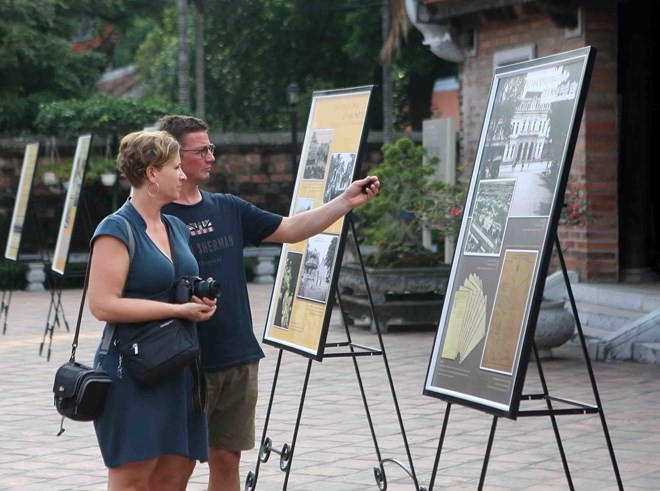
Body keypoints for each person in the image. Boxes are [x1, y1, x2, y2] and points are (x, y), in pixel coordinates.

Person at [156, 115, 380, 491]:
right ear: (174, 157)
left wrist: (345, 201)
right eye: (202, 150)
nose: (212, 156)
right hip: (183, 360)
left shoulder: (227, 207)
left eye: (212, 148)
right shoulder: (153, 217)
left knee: (227, 459)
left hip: (238, 356)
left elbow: (292, 229)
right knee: (177, 467)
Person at [87, 130, 218, 490]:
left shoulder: (176, 226)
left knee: (174, 477)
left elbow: (178, 286)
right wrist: (177, 312)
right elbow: (102, 305)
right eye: (175, 167)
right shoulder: (116, 228)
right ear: (150, 174)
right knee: (131, 479)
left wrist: (199, 301)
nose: (182, 175)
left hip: (179, 368)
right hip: (133, 372)